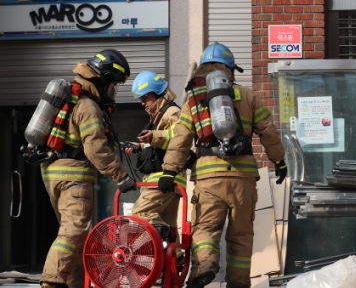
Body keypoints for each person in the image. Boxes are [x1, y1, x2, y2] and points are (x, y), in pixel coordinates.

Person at [161, 42, 287, 288]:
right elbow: (268, 132)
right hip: (244, 179)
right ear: (230, 69)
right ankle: (238, 284)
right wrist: (279, 161)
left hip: (209, 180)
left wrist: (169, 171)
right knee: (241, 236)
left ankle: (204, 266)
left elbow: (181, 139)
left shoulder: (194, 101)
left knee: (206, 228)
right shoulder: (248, 95)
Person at [39, 49, 137, 288]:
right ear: (103, 80)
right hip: (74, 176)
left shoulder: (71, 99)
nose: (114, 91)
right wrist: (121, 176)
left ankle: (74, 284)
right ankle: (52, 280)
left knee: (78, 238)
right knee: (74, 230)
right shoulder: (87, 105)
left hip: (53, 173)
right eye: (114, 84)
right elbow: (95, 149)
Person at [123, 70, 186, 243]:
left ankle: (161, 237)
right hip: (165, 179)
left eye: (145, 98)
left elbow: (182, 137)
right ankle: (173, 260)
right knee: (168, 222)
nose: (142, 103)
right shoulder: (157, 117)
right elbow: (158, 145)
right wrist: (140, 147)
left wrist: (154, 136)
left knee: (140, 213)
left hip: (164, 178)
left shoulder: (171, 112)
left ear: (156, 93)